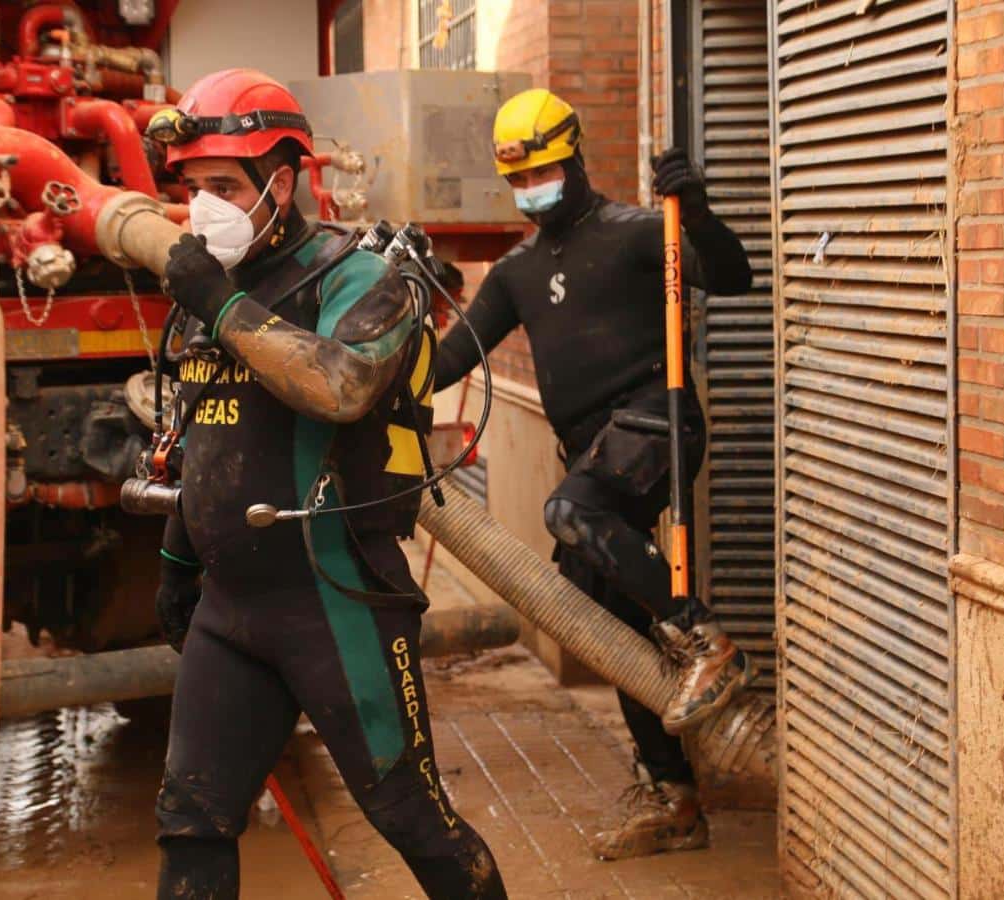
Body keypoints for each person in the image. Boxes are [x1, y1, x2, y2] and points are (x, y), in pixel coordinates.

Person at [148, 68, 506, 899]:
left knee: (414, 817)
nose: (206, 206)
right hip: (230, 612)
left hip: (336, 600)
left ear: (283, 179)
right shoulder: (216, 283)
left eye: (225, 186)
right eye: (194, 187)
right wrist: (176, 560)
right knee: (189, 821)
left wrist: (222, 306)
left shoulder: (360, 279)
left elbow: (340, 386)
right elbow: (207, 427)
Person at [434, 88, 756, 860]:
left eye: (541, 172)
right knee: (607, 624)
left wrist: (698, 209)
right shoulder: (515, 271)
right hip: (591, 451)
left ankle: (703, 637)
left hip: (655, 420)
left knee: (571, 514)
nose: (529, 191)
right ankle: (674, 797)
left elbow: (732, 277)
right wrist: (394, 335)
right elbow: (449, 360)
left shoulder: (639, 231)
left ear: (573, 159)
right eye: (516, 181)